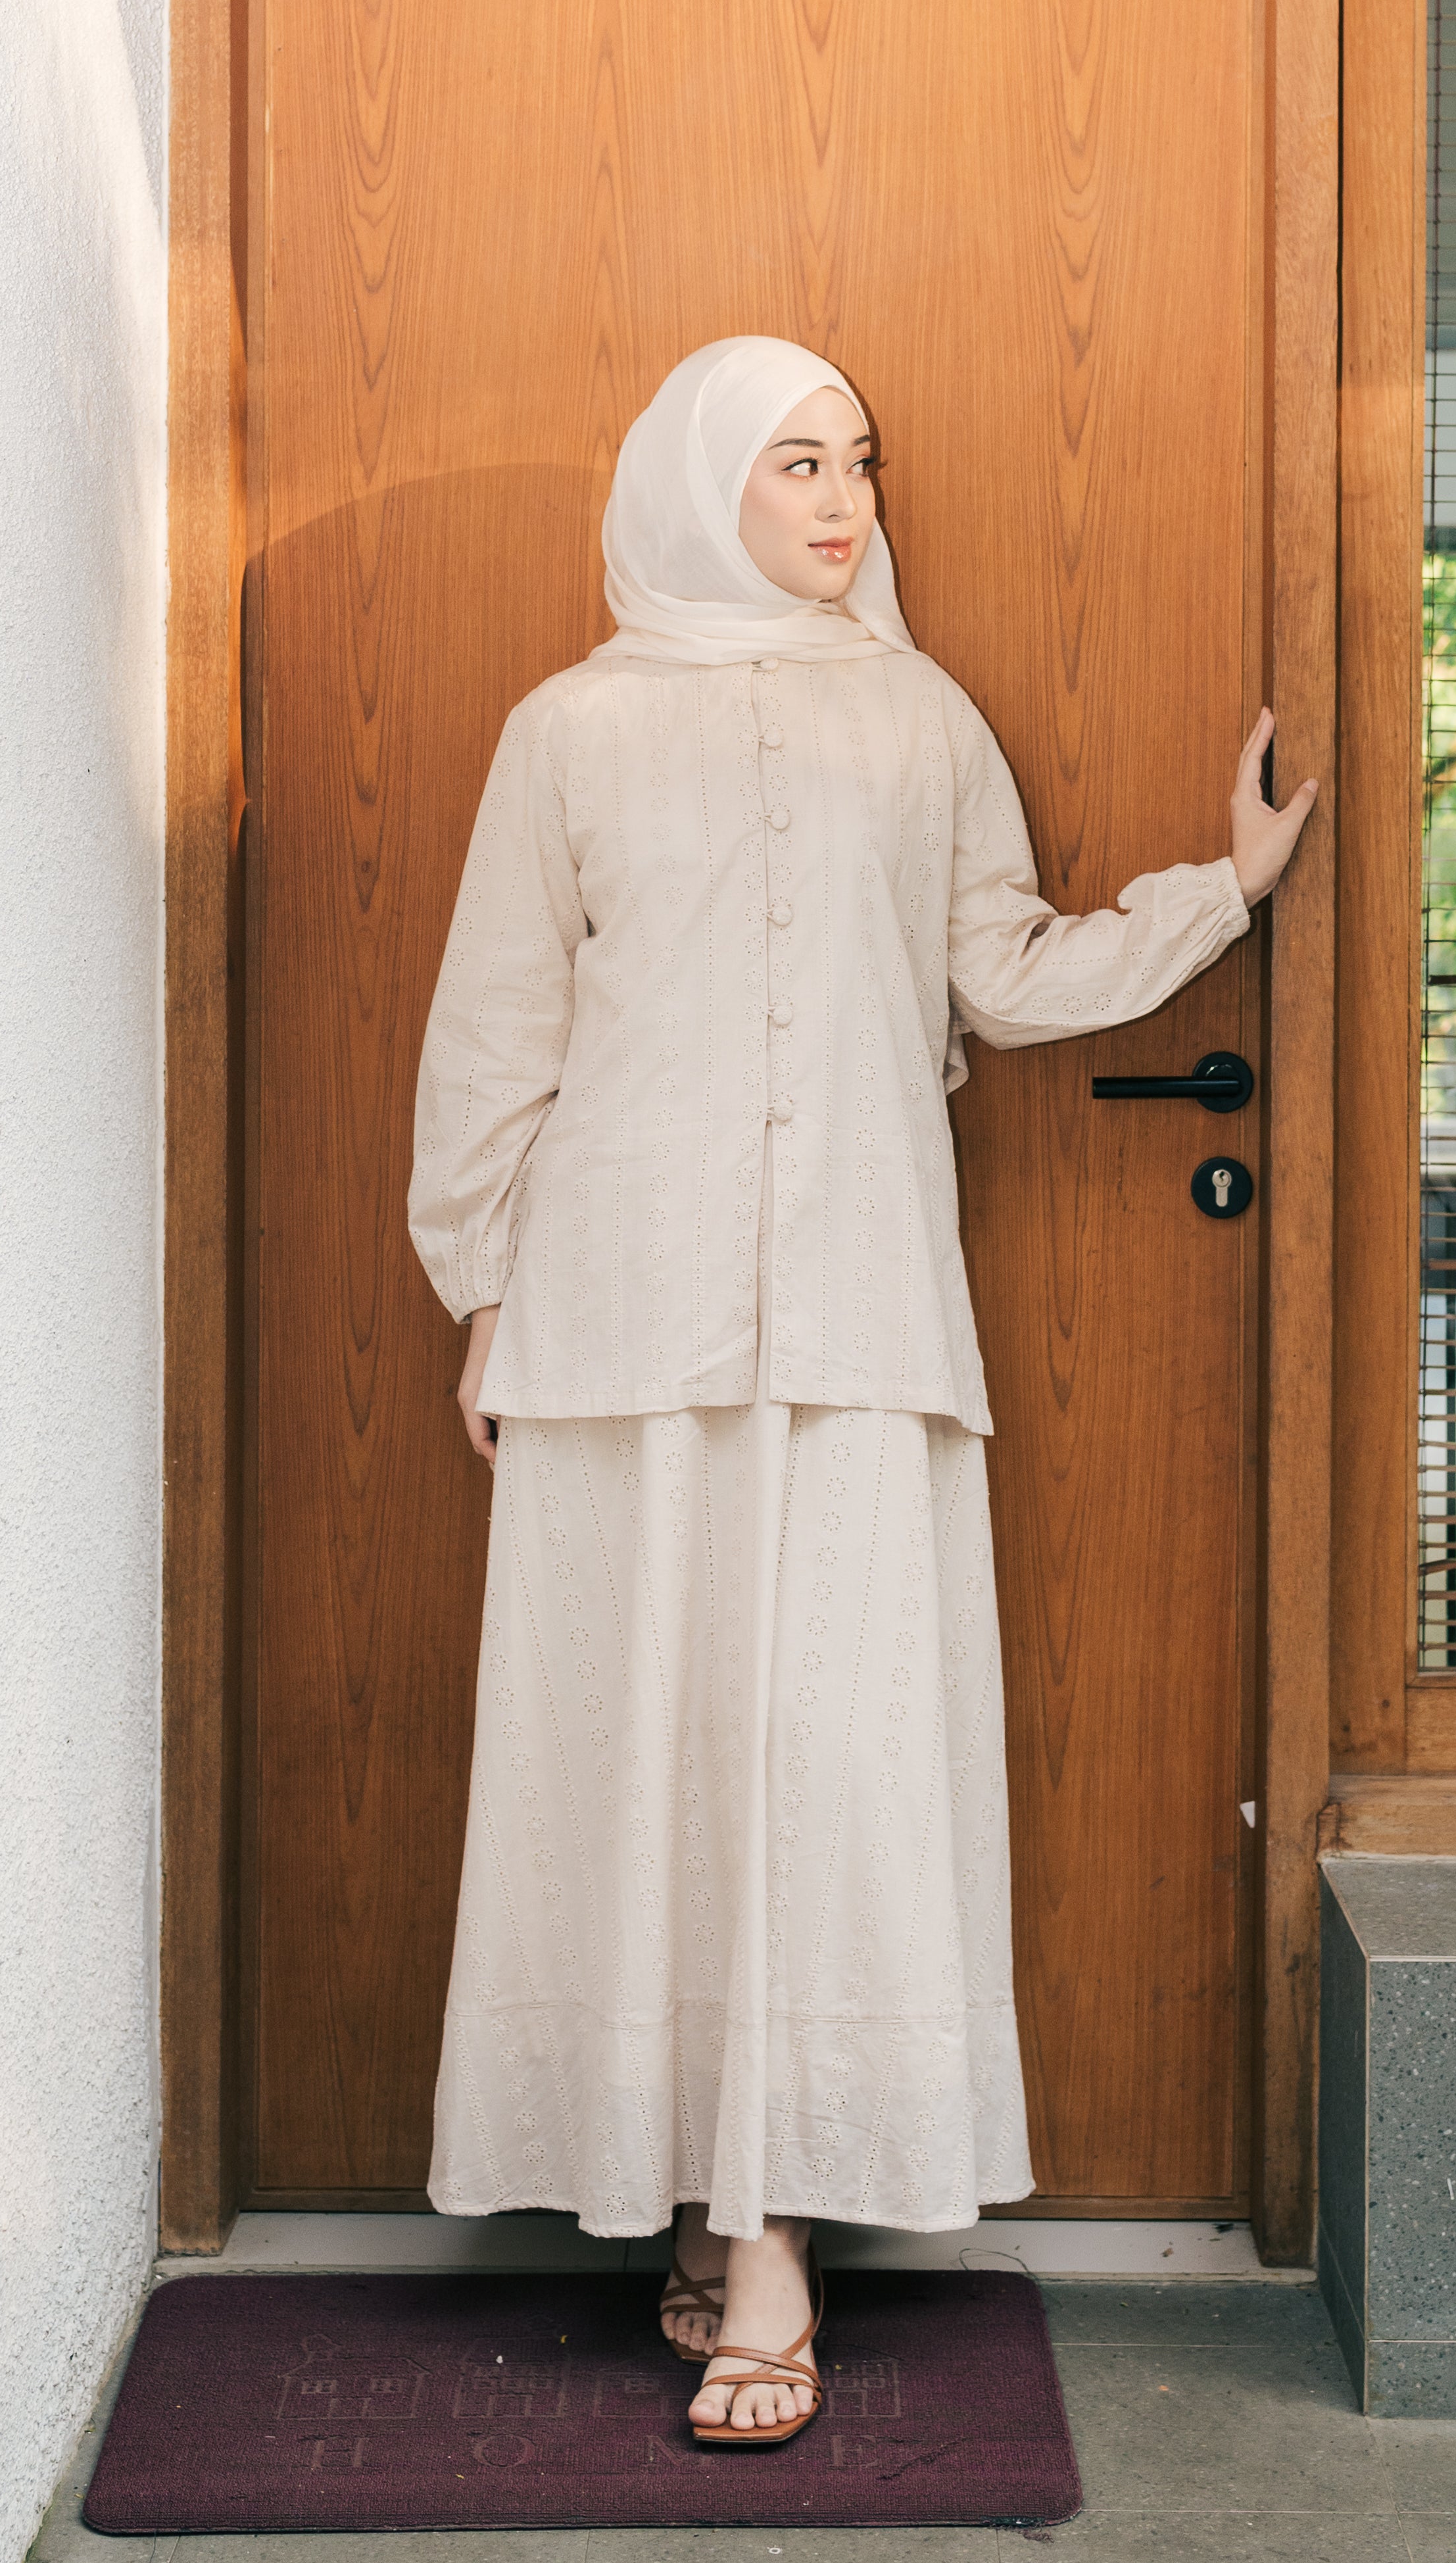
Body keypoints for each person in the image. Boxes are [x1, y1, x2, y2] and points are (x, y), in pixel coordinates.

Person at [406, 337, 1317, 2443]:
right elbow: (495, 1036)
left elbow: (996, 976)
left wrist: (1220, 895)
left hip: (860, 1322)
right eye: (795, 463)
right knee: (639, 1754)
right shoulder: (569, 732)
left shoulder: (920, 722)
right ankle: (682, 2199)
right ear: (697, 483)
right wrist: (483, 1294)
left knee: (823, 1770)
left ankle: (776, 2244)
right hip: (614, 1323)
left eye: (860, 464)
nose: (841, 501)